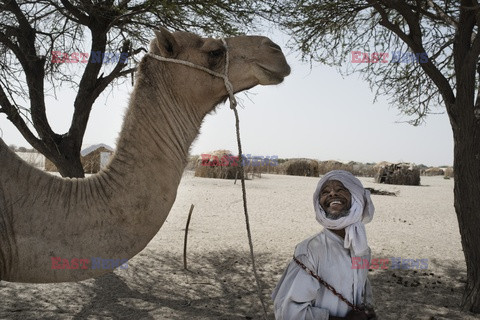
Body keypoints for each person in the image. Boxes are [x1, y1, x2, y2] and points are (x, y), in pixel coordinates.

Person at [272, 170, 376, 320]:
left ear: (356, 197)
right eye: (325, 191)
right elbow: (287, 313)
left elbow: (362, 291)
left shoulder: (362, 248)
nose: (332, 193)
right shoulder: (309, 251)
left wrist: (368, 313)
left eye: (340, 189)